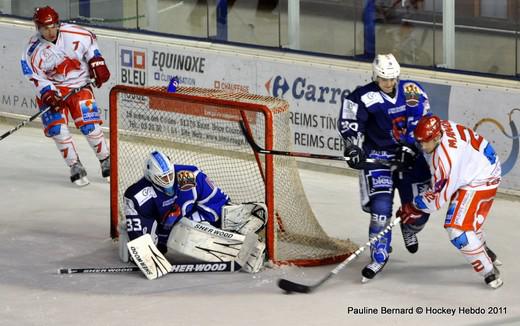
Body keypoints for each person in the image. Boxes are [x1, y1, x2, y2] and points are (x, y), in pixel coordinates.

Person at [337, 53, 432, 282]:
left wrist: (411, 147)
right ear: (375, 75)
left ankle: (409, 228)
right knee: (381, 210)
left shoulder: (412, 91)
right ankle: (379, 255)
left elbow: (422, 123)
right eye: (383, 79)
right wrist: (352, 147)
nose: (387, 83)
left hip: (410, 159)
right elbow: (349, 122)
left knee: (420, 210)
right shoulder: (362, 96)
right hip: (378, 158)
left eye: (391, 78)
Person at [397, 115, 503, 289]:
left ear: (437, 137)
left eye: (425, 142)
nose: (421, 146)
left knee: (457, 229)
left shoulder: (446, 162)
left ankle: (489, 271)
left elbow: (436, 202)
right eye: (419, 141)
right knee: (465, 219)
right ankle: (485, 252)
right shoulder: (440, 128)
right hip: (476, 164)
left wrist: (413, 205)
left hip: (481, 177)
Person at [123, 150, 268, 273]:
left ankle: (238, 236)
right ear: (150, 176)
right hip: (169, 231)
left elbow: (216, 200)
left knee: (250, 212)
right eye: (162, 178)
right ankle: (242, 252)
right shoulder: (137, 195)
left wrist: (226, 218)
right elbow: (140, 234)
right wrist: (146, 254)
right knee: (186, 232)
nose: (168, 180)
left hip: (192, 216)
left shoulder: (189, 175)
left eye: (170, 175)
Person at [20, 6, 111, 186]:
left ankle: (105, 160)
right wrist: (48, 93)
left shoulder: (75, 33)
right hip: (52, 90)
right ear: (38, 28)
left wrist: (96, 60)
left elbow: (91, 41)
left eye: (53, 26)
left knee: (89, 125)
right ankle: (75, 165)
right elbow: (32, 74)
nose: (50, 31)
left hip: (79, 85)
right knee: (57, 129)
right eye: (45, 28)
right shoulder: (32, 50)